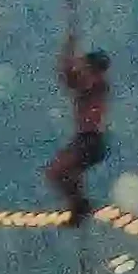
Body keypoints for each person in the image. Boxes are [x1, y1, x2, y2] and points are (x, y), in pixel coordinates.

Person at [45, 30, 112, 227]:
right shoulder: (92, 82)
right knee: (61, 173)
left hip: (90, 140)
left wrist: (70, 49)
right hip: (86, 139)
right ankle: (78, 204)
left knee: (60, 171)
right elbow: (67, 76)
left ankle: (79, 204)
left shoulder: (97, 84)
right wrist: (69, 47)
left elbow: (71, 77)